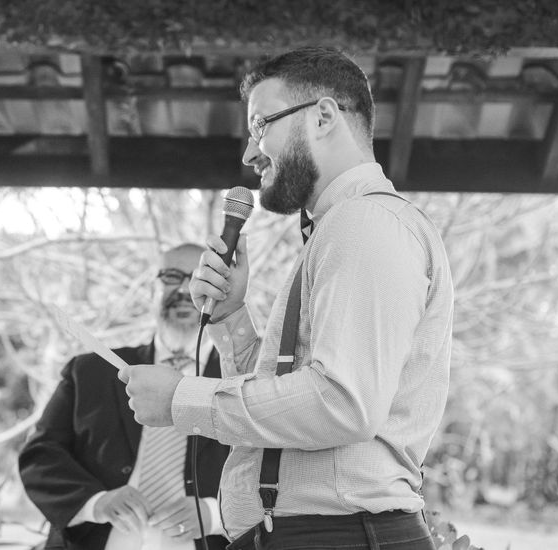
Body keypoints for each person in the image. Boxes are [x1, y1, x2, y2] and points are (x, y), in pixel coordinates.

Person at [120, 47, 454, 550]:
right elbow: (296, 397)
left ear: (323, 117)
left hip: (339, 535)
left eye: (261, 126)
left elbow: (342, 402)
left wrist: (181, 398)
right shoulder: (340, 228)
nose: (249, 154)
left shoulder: (365, 223)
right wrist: (232, 317)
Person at [19, 243, 231, 550]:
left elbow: (277, 469)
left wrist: (215, 513)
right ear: (151, 290)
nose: (184, 289)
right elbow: (39, 455)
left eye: (199, 278)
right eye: (171, 276)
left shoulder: (244, 379)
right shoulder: (91, 370)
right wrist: (97, 501)